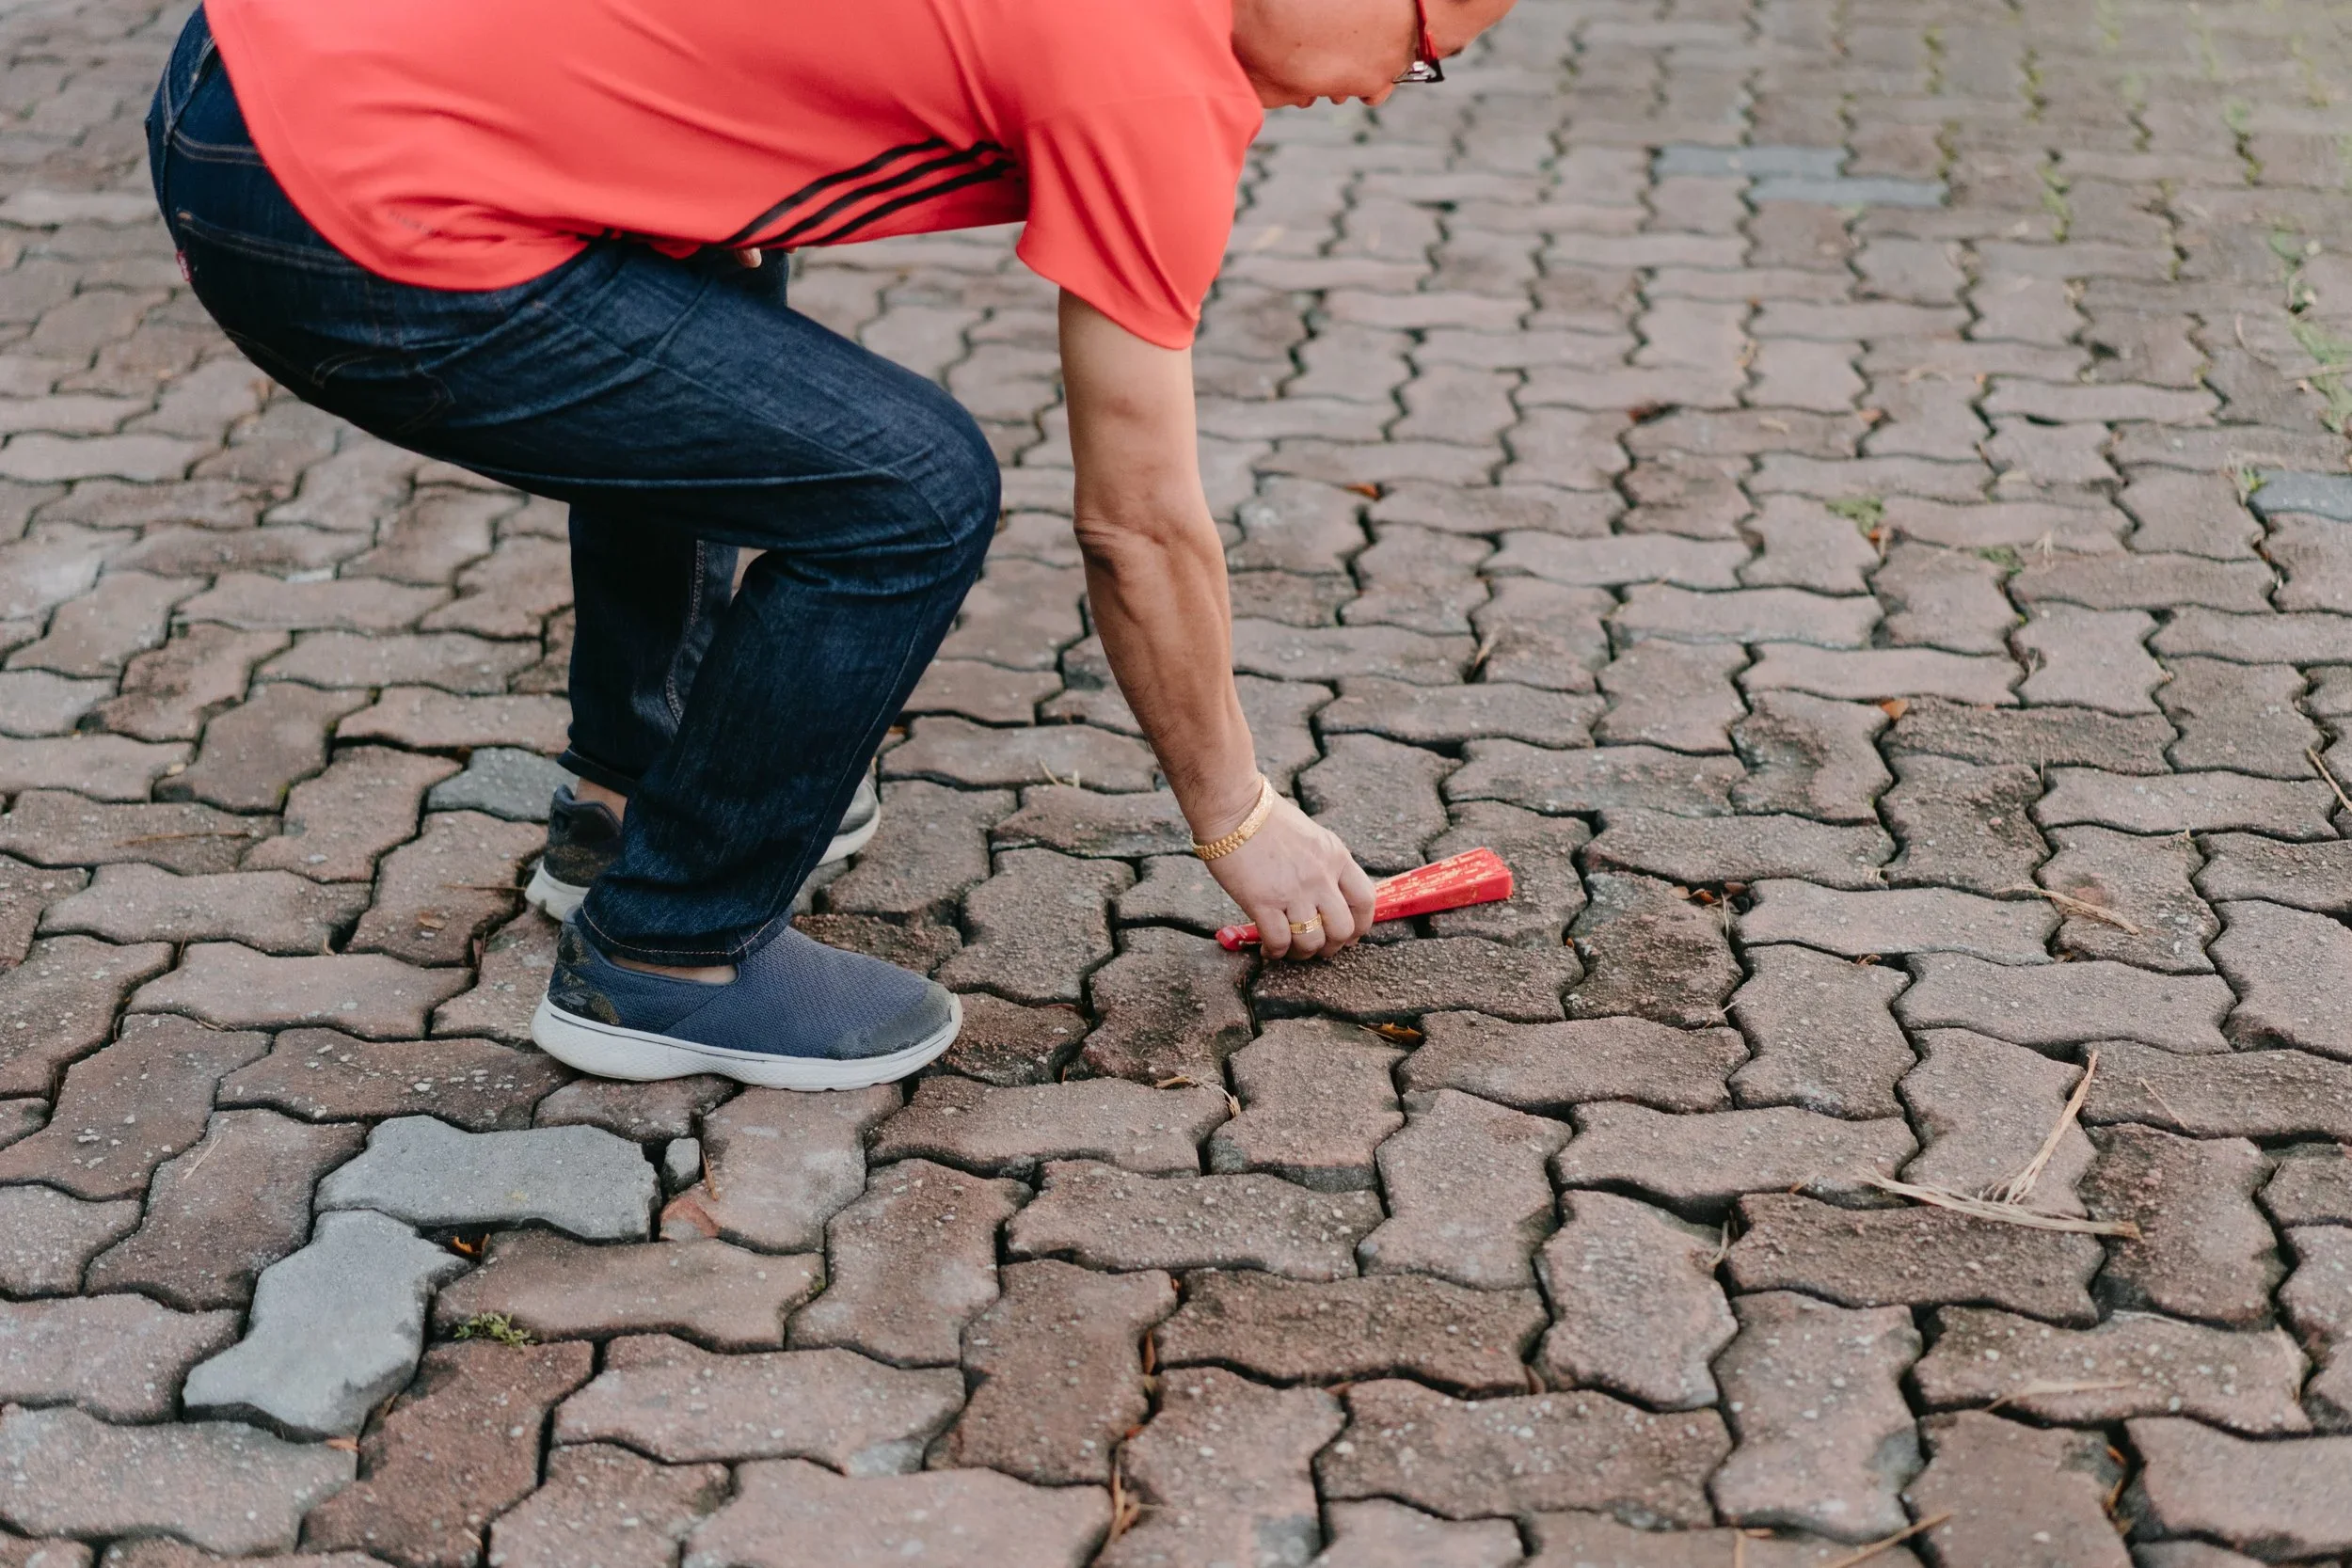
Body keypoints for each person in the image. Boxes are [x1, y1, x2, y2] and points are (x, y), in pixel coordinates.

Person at [147, 0, 1518, 1090]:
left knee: (723, 277)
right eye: (1429, 48)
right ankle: (666, 954)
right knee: (913, 487)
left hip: (254, 64)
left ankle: (635, 796)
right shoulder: (1157, 72)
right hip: (339, 199)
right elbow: (1138, 526)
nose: (1390, 88)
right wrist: (1241, 818)